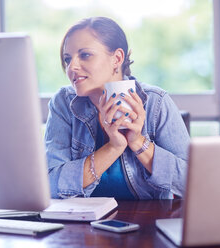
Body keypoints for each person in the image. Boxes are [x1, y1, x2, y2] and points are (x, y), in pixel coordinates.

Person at [44, 16, 189, 200]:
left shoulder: (156, 102)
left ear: (117, 58)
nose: (72, 67)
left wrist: (137, 142)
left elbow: (191, 182)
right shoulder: (63, 104)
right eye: (67, 59)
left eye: (85, 55)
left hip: (147, 222)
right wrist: (113, 147)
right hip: (82, 225)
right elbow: (50, 185)